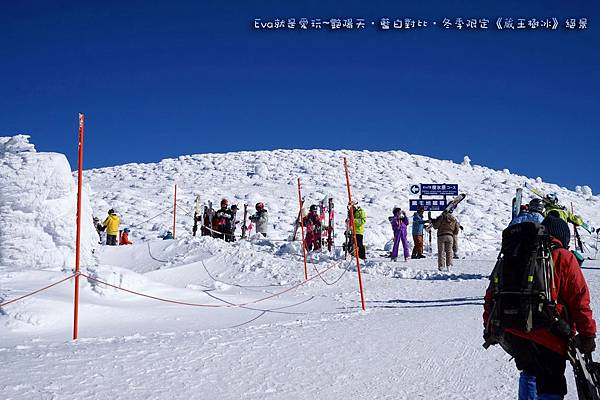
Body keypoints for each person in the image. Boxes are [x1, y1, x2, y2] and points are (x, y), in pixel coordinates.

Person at [483, 214, 596, 399]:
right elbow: (580, 301)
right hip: (550, 332)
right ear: (563, 238)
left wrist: (488, 324)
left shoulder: (515, 252)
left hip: (516, 330)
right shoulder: (563, 257)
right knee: (551, 385)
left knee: (529, 373)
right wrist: (588, 335)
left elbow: (492, 293)